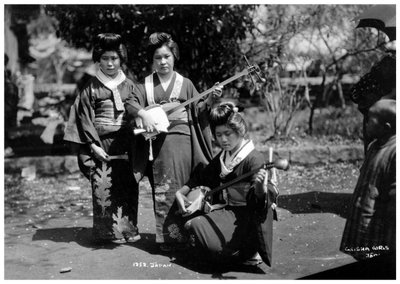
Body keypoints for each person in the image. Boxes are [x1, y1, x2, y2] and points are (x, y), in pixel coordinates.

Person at [125, 32, 221, 252]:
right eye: (158, 57)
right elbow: (130, 102)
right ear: (152, 60)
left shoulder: (185, 83)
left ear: (174, 57)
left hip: (185, 141)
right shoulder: (145, 85)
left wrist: (211, 98)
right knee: (165, 188)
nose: (163, 61)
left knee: (187, 186)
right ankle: (168, 239)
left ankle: (192, 235)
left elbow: (198, 109)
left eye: (167, 56)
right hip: (160, 144)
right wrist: (144, 114)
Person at [175, 102, 279, 266]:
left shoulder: (254, 158)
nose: (223, 139)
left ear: (240, 131)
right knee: (188, 224)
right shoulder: (224, 156)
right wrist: (180, 192)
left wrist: (260, 189)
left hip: (245, 219)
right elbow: (201, 177)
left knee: (199, 234)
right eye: (218, 134)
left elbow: (263, 202)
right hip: (226, 211)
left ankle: (247, 250)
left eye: (228, 133)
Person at [64, 33, 140, 244]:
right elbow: (85, 118)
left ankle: (128, 229)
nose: (110, 63)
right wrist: (92, 145)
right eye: (105, 58)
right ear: (98, 59)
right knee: (104, 186)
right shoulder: (91, 87)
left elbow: (136, 112)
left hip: (125, 142)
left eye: (114, 58)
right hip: (100, 142)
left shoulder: (130, 85)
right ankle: (105, 232)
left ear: (120, 59)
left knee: (127, 186)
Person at [340, 99, 396, 277]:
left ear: (386, 127)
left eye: (369, 120)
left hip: (380, 231)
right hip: (362, 224)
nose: (364, 124)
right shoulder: (374, 146)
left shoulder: (395, 153)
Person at [350, 54, 396, 153]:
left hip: (388, 115)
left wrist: (381, 101)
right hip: (373, 114)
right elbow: (354, 93)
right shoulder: (375, 74)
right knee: (371, 145)